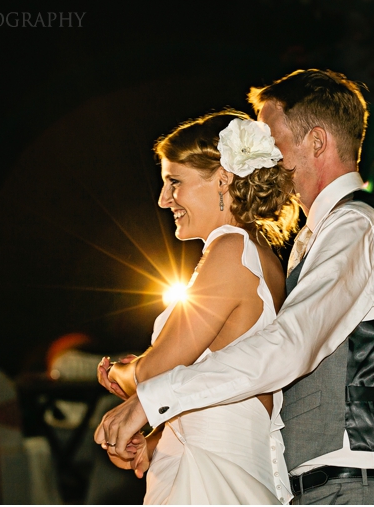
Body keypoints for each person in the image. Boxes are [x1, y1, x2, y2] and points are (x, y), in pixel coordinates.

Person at [95, 69, 374, 505]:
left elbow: (288, 347)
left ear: (316, 142)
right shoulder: (311, 242)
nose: (259, 156)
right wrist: (162, 439)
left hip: (360, 484)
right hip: (327, 485)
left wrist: (151, 396)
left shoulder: (355, 227)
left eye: (271, 140)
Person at [98, 109, 300, 504]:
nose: (163, 199)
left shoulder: (231, 250)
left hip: (213, 474)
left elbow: (159, 370)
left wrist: (119, 374)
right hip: (205, 463)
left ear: (223, 179)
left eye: (174, 182)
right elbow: (211, 380)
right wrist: (154, 444)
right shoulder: (254, 252)